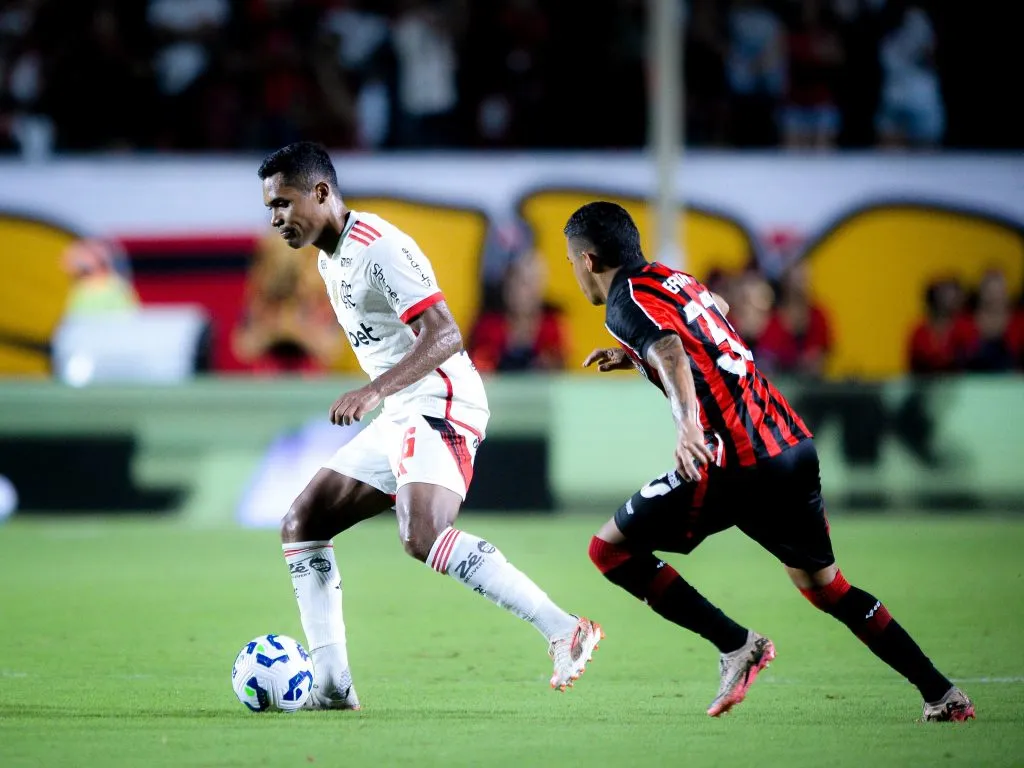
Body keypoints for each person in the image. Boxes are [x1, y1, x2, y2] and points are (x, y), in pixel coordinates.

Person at [562, 201, 974, 722]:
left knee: (609, 551)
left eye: (571, 261)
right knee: (829, 588)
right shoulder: (672, 279)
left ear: (590, 260)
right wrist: (636, 352)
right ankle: (942, 695)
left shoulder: (622, 301)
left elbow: (669, 344)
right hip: (790, 445)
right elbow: (714, 312)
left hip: (732, 459)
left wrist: (687, 420)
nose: (573, 271)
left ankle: (737, 644)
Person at [256, 142, 601, 710]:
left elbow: (445, 334)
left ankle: (564, 628)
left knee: (422, 536)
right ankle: (332, 688)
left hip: (439, 398)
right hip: (402, 407)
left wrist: (373, 389)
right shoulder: (328, 257)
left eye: (283, 203)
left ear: (320, 193)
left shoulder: (380, 248)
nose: (275, 220)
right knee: (302, 522)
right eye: (270, 208)